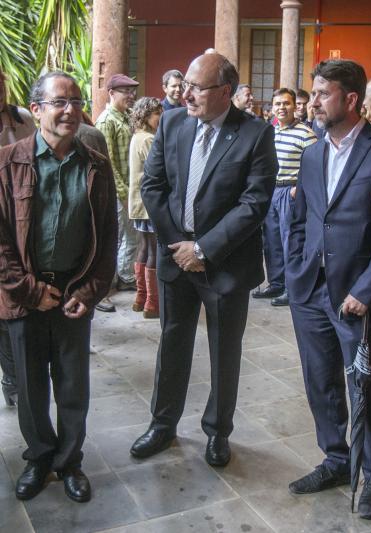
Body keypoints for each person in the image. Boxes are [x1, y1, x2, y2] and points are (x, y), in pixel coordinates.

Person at [130, 53, 277, 467]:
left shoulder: (254, 134)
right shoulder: (173, 123)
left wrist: (205, 249)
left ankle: (217, 432)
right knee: (172, 342)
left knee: (223, 350)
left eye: (197, 87)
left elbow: (254, 203)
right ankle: (162, 425)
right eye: (186, 85)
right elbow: (153, 186)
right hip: (177, 258)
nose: (185, 93)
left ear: (225, 92)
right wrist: (179, 245)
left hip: (226, 264)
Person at [286, 59, 371, 520]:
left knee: (364, 385)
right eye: (312, 94)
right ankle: (337, 459)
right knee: (319, 382)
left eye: (321, 94)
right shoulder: (312, 152)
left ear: (351, 100)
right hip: (310, 289)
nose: (311, 102)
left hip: (355, 295)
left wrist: (368, 288)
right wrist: (297, 266)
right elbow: (301, 219)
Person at [0, 71, 117, 502]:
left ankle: (69, 461)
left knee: (73, 387)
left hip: (73, 295)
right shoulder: (7, 162)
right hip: (25, 296)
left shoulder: (96, 165)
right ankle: (39, 457)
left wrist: (88, 293)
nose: (70, 110)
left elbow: (108, 237)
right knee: (30, 389)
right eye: (59, 102)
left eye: (76, 100)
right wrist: (29, 290)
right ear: (36, 109)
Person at [254, 88, 316, 307]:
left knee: (290, 240)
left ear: (294, 106)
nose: (281, 108)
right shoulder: (270, 131)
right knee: (271, 241)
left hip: (290, 191)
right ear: (272, 108)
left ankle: (292, 288)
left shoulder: (305, 133)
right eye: (277, 104)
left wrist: (299, 187)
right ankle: (276, 283)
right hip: (271, 191)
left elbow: (316, 164)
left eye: (286, 103)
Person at [0, 70, 36, 407]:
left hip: (21, 222)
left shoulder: (22, 118)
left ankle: (14, 379)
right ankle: (10, 376)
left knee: (14, 307)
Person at [95, 73, 139, 312]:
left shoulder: (126, 117)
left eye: (132, 92)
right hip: (117, 192)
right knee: (113, 241)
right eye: (126, 92)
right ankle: (102, 290)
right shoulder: (106, 121)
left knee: (132, 238)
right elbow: (108, 163)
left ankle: (124, 276)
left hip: (130, 191)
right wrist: (122, 193)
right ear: (112, 94)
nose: (131, 96)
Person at [128, 97, 163, 318]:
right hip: (149, 204)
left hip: (138, 203)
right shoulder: (148, 139)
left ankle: (140, 298)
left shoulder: (137, 137)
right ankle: (152, 302)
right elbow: (158, 170)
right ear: (146, 115)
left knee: (143, 247)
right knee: (153, 250)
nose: (160, 118)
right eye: (157, 113)